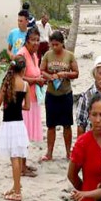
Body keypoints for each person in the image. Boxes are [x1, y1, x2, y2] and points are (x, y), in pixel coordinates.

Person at [0, 55, 30, 201]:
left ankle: (17, 192)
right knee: (16, 156)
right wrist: (18, 105)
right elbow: (27, 107)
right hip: (19, 124)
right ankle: (16, 185)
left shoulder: (7, 82)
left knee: (14, 158)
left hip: (7, 124)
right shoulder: (25, 85)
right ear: (23, 70)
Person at [40, 31, 79, 161]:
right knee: (51, 125)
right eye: (52, 45)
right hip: (51, 94)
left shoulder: (70, 56)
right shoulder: (47, 55)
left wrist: (65, 74)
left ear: (62, 43)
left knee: (67, 125)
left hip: (66, 94)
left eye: (57, 45)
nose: (54, 47)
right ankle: (49, 152)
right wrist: (49, 77)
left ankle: (68, 152)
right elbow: (41, 70)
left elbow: (76, 73)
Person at [17, 27, 45, 176]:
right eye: (32, 40)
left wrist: (40, 79)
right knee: (22, 134)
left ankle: (24, 164)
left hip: (33, 98)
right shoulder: (21, 55)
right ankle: (21, 168)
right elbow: (17, 76)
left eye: (37, 40)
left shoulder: (34, 55)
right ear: (27, 40)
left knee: (27, 135)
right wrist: (35, 80)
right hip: (23, 101)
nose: (35, 43)